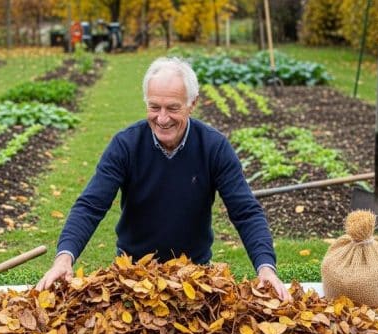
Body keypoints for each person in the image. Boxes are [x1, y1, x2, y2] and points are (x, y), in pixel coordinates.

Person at [36, 57, 289, 301]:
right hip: (132, 276)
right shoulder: (126, 145)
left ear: (193, 104)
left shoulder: (214, 147)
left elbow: (245, 211)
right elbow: (91, 205)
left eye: (173, 108)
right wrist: (64, 258)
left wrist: (265, 267)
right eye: (154, 107)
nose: (162, 118)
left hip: (195, 277)